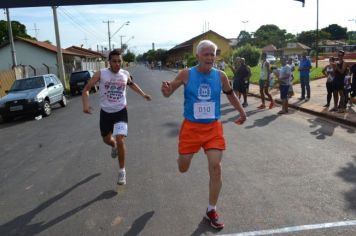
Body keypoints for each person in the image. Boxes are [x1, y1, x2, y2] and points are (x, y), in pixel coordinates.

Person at [161, 40, 247, 229]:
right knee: (183, 167)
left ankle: (211, 209)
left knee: (216, 166)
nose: (210, 57)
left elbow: (231, 95)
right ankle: (181, 160)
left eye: (212, 54)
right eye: (206, 54)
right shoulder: (186, 74)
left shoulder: (221, 76)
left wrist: (242, 112)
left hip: (213, 128)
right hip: (191, 128)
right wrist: (166, 90)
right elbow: (170, 90)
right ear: (198, 56)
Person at [82, 49, 152, 185]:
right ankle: (112, 145)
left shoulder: (125, 74)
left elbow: (131, 85)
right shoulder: (101, 74)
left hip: (121, 111)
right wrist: (86, 104)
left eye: (119, 61)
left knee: (120, 139)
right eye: (114, 61)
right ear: (109, 62)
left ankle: (122, 172)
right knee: (107, 139)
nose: (117, 64)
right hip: (106, 113)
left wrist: (143, 95)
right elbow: (86, 89)